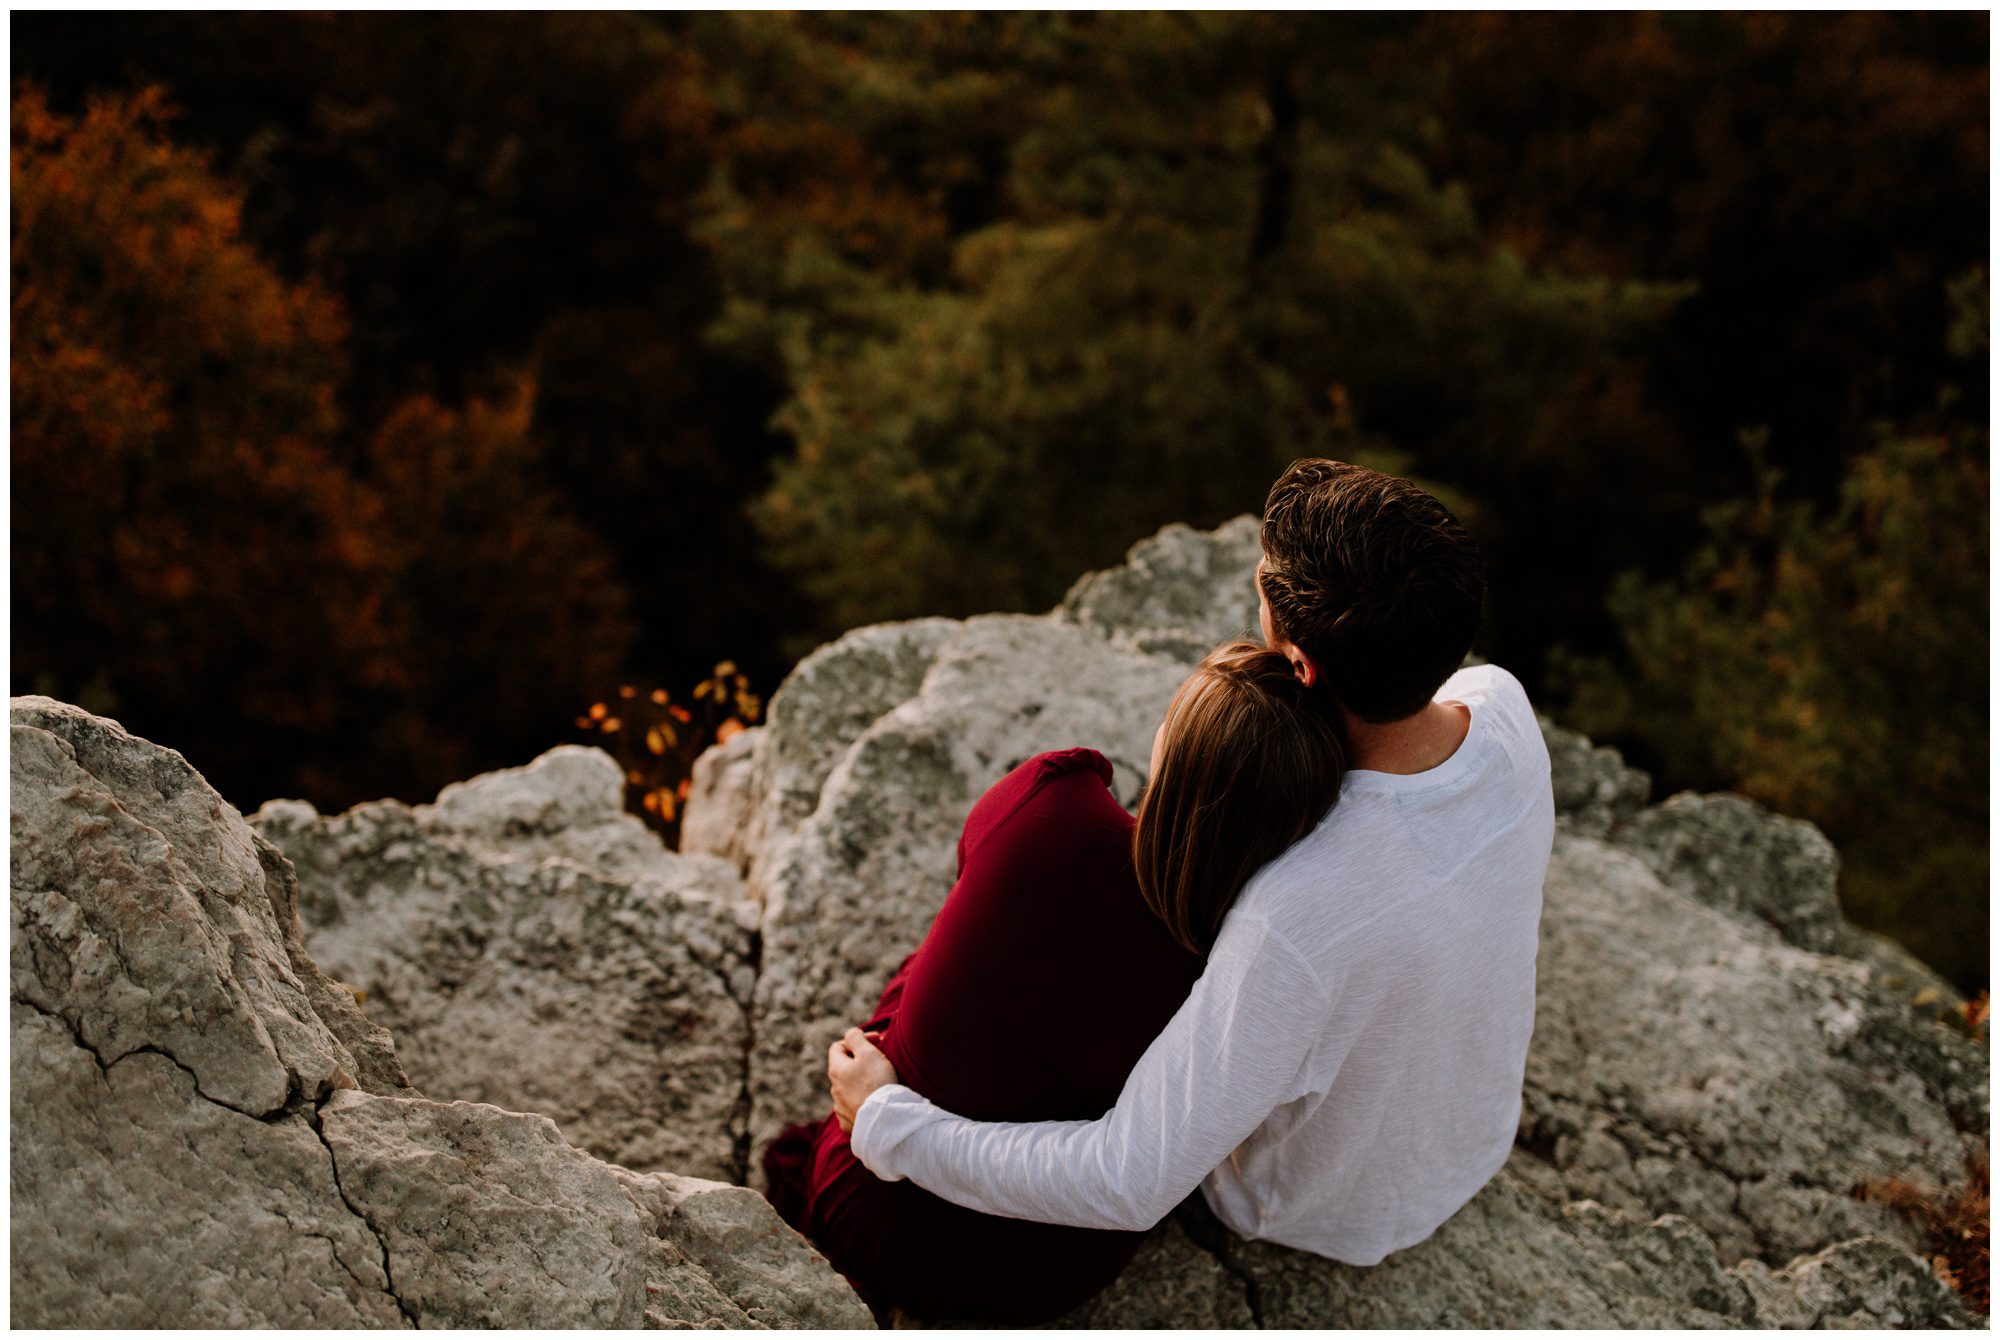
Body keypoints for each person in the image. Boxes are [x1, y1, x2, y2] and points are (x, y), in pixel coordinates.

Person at [829, 458, 1557, 1268]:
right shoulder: (1503, 711)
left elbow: (1128, 1178)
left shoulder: (1295, 910)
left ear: (1303, 666)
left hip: (1316, 1208)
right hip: (1471, 1141)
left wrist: (892, 1124)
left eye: (1263, 593)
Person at [763, 642, 1347, 1324]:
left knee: (927, 968)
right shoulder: (1238, 976)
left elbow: (971, 862)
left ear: (1172, 750)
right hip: (1038, 1275)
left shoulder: (1058, 799)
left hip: (869, 1211)